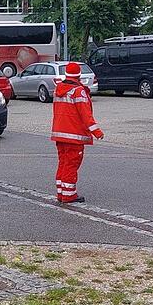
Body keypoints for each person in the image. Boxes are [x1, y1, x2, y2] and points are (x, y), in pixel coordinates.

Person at [51, 62, 104, 203]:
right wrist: (97, 132)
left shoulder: (58, 89)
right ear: (79, 74)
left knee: (63, 162)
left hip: (59, 133)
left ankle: (61, 192)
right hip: (74, 135)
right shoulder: (78, 91)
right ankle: (69, 195)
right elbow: (85, 114)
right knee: (71, 164)